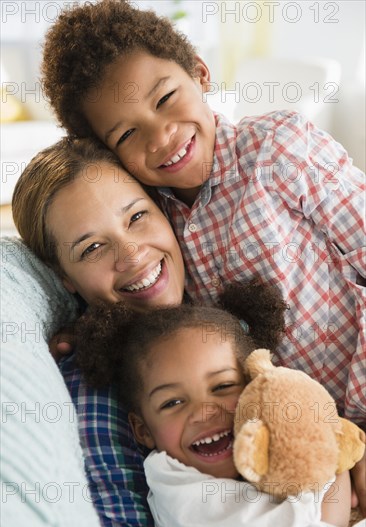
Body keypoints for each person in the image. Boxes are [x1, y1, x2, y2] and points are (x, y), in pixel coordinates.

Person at [41, 0, 366, 434]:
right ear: (108, 152)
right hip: (292, 438)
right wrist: (87, 332)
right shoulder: (151, 224)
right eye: (127, 133)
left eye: (166, 98)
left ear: (200, 72)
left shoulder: (279, 148)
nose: (161, 137)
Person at [73, 299, 366, 527]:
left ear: (256, 384)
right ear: (143, 430)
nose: (205, 412)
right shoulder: (177, 487)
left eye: (223, 386)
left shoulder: (276, 441)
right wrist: (336, 467)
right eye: (172, 403)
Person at [12, 136, 186, 527]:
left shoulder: (223, 297)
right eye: (92, 247)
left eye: (137, 216)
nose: (131, 255)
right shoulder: (100, 393)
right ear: (65, 279)